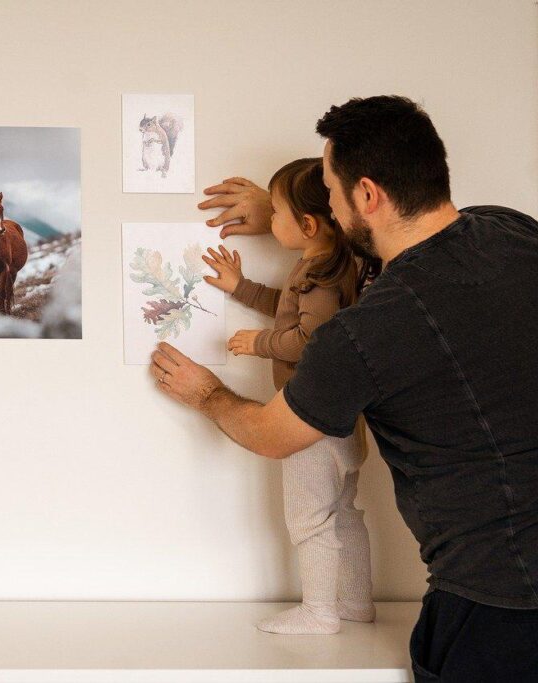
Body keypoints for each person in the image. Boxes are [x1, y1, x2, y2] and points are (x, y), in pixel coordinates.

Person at [151, 96, 538, 681]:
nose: (329, 203)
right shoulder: (512, 231)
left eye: (330, 191)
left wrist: (207, 393)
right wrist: (286, 215)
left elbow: (272, 435)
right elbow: (401, 253)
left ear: (367, 195)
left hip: (497, 614)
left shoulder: (364, 333)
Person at [203, 157, 374, 634]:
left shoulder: (319, 275)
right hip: (345, 419)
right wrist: (241, 288)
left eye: (275, 213)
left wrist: (257, 344)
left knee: (310, 518)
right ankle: (356, 603)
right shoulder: (326, 267)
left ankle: (320, 611)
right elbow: (287, 306)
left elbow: (308, 337)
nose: (268, 221)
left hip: (309, 420)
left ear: (307, 224)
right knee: (344, 514)